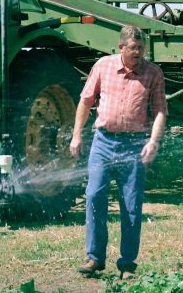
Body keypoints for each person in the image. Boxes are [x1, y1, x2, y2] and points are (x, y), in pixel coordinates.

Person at [70, 25, 168, 279]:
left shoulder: (153, 73)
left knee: (131, 205)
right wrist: (77, 135)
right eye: (133, 48)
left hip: (135, 145)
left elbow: (160, 111)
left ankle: (126, 264)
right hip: (102, 142)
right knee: (93, 197)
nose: (138, 53)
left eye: (141, 48)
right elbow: (85, 100)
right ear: (121, 47)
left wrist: (153, 141)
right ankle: (94, 258)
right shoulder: (103, 66)